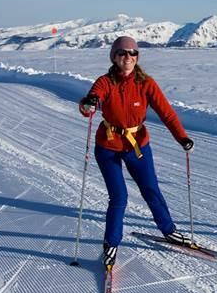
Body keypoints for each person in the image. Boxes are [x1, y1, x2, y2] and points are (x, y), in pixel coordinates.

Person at [79, 36, 195, 266]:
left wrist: (182, 137)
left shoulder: (146, 83)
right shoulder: (105, 81)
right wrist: (89, 103)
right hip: (108, 147)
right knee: (119, 197)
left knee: (151, 189)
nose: (128, 57)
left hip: (137, 145)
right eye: (122, 53)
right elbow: (91, 101)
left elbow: (167, 113)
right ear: (114, 57)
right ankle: (111, 244)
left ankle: (168, 230)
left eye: (133, 53)